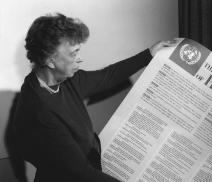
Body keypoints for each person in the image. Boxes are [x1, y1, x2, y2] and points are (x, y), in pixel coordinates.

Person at [12, 13, 176, 182]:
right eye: (73, 53)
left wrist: (149, 53)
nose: (80, 59)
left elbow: (107, 76)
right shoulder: (39, 110)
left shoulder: (66, 79)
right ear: (50, 60)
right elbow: (80, 173)